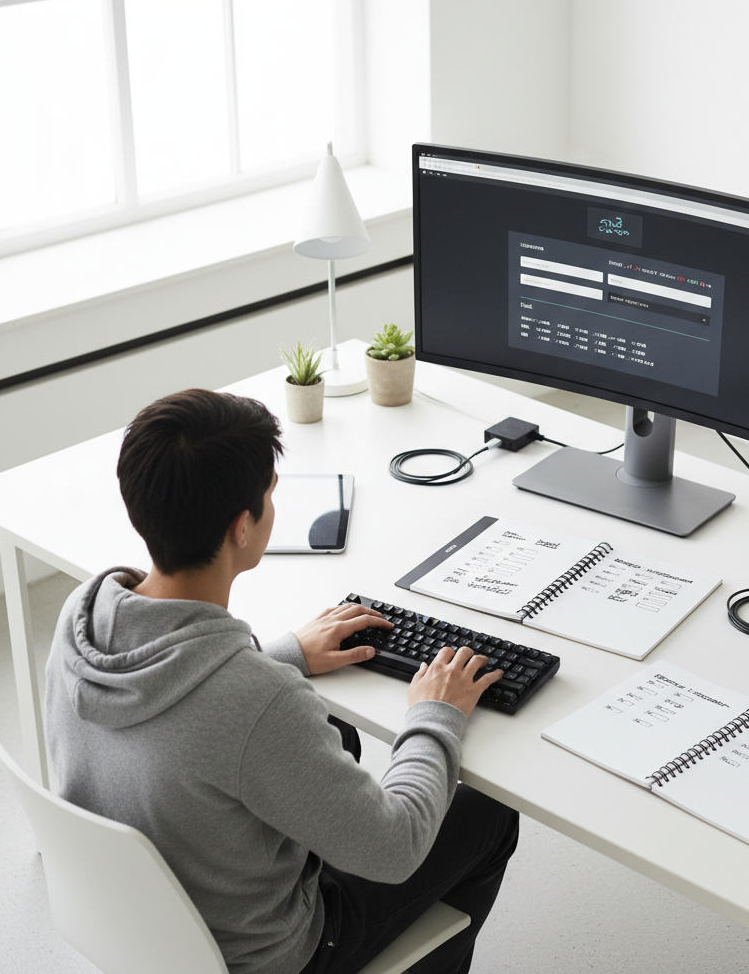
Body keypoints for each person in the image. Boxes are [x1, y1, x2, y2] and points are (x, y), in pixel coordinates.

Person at [44, 388, 519, 974]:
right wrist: (433, 714)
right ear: (243, 527)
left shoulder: (82, 615)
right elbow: (395, 848)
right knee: (489, 812)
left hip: (145, 921)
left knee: (332, 733)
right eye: (271, 495)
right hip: (270, 957)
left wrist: (284, 655)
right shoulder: (259, 702)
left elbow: (198, 713)